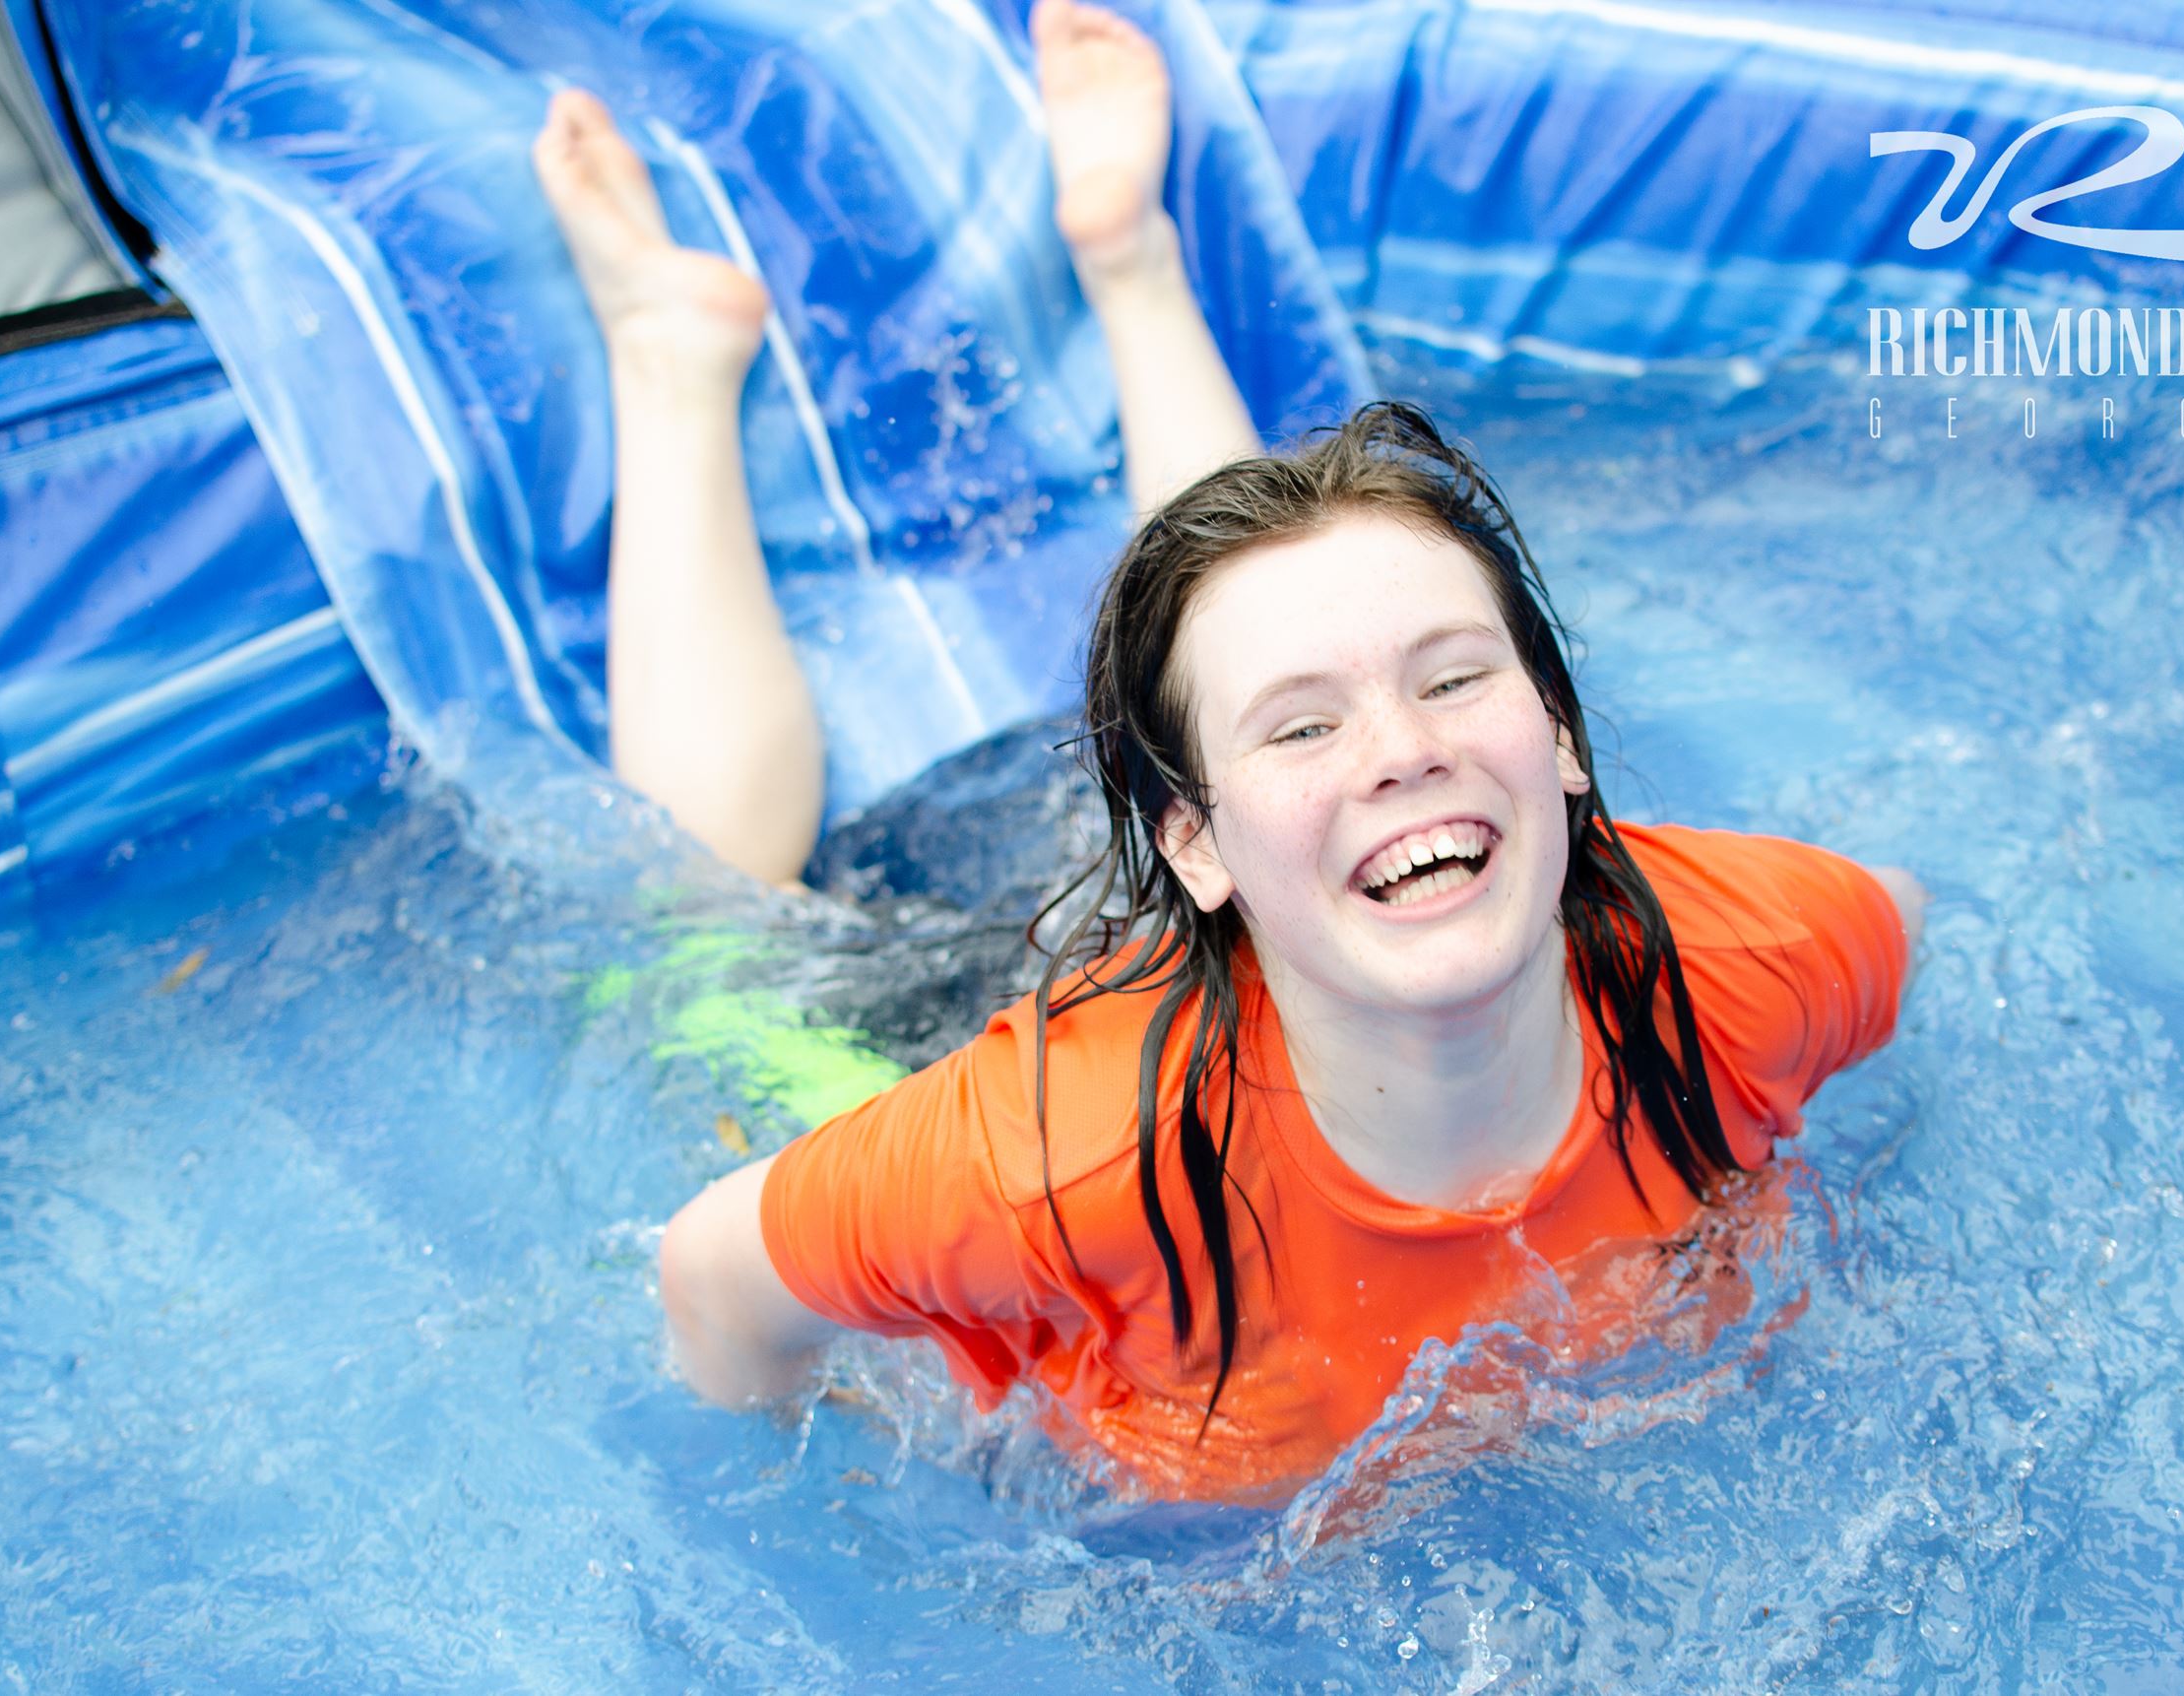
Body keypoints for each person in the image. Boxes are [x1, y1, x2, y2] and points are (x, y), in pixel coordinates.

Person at [537, 0, 1927, 1502]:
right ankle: (674, 359)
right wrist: (874, 1479)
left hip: (1253, 909)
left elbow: (1896, 922)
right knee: (702, 922)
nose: (1403, 748)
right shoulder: (1062, 1161)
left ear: (1562, 736)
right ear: (1191, 842)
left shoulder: (1753, 963)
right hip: (950, 1022)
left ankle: (1129, 260)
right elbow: (709, 1272)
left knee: (1276, 636)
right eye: (1313, 724)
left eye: (1457, 678)